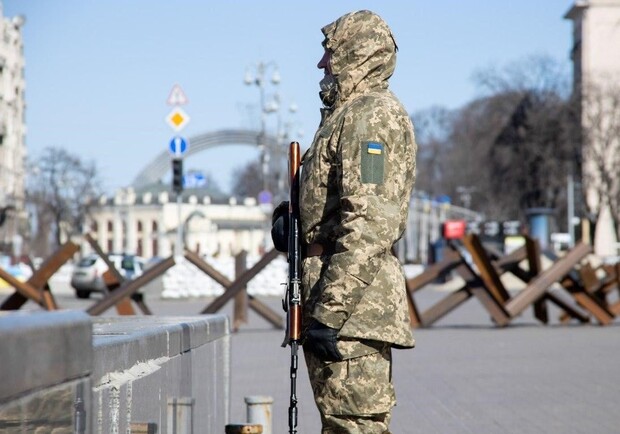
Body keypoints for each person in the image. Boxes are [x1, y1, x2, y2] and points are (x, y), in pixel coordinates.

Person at [273, 9, 417, 433]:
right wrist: (296, 224)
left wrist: (331, 312)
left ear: (356, 52)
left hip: (352, 312)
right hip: (333, 301)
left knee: (354, 426)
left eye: (329, 53)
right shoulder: (345, 115)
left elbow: (370, 222)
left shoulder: (371, 116)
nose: (322, 64)